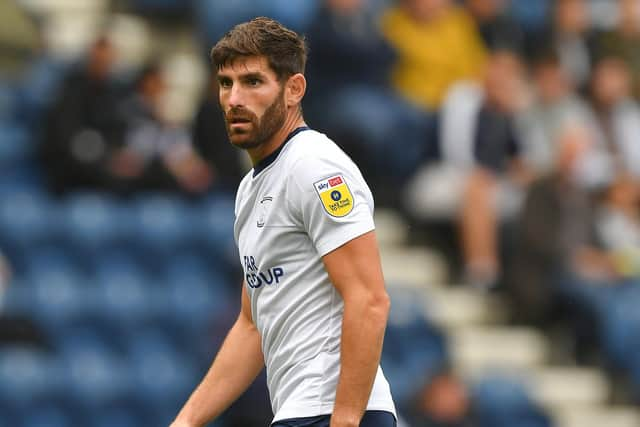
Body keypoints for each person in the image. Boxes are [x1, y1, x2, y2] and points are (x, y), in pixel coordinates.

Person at [171, 17, 396, 427]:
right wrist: (186, 421)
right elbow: (252, 324)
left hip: (330, 411)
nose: (234, 98)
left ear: (294, 89)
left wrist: (345, 419)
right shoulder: (250, 190)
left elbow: (370, 299)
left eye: (253, 82)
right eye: (226, 83)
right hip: (299, 411)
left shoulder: (314, 166)